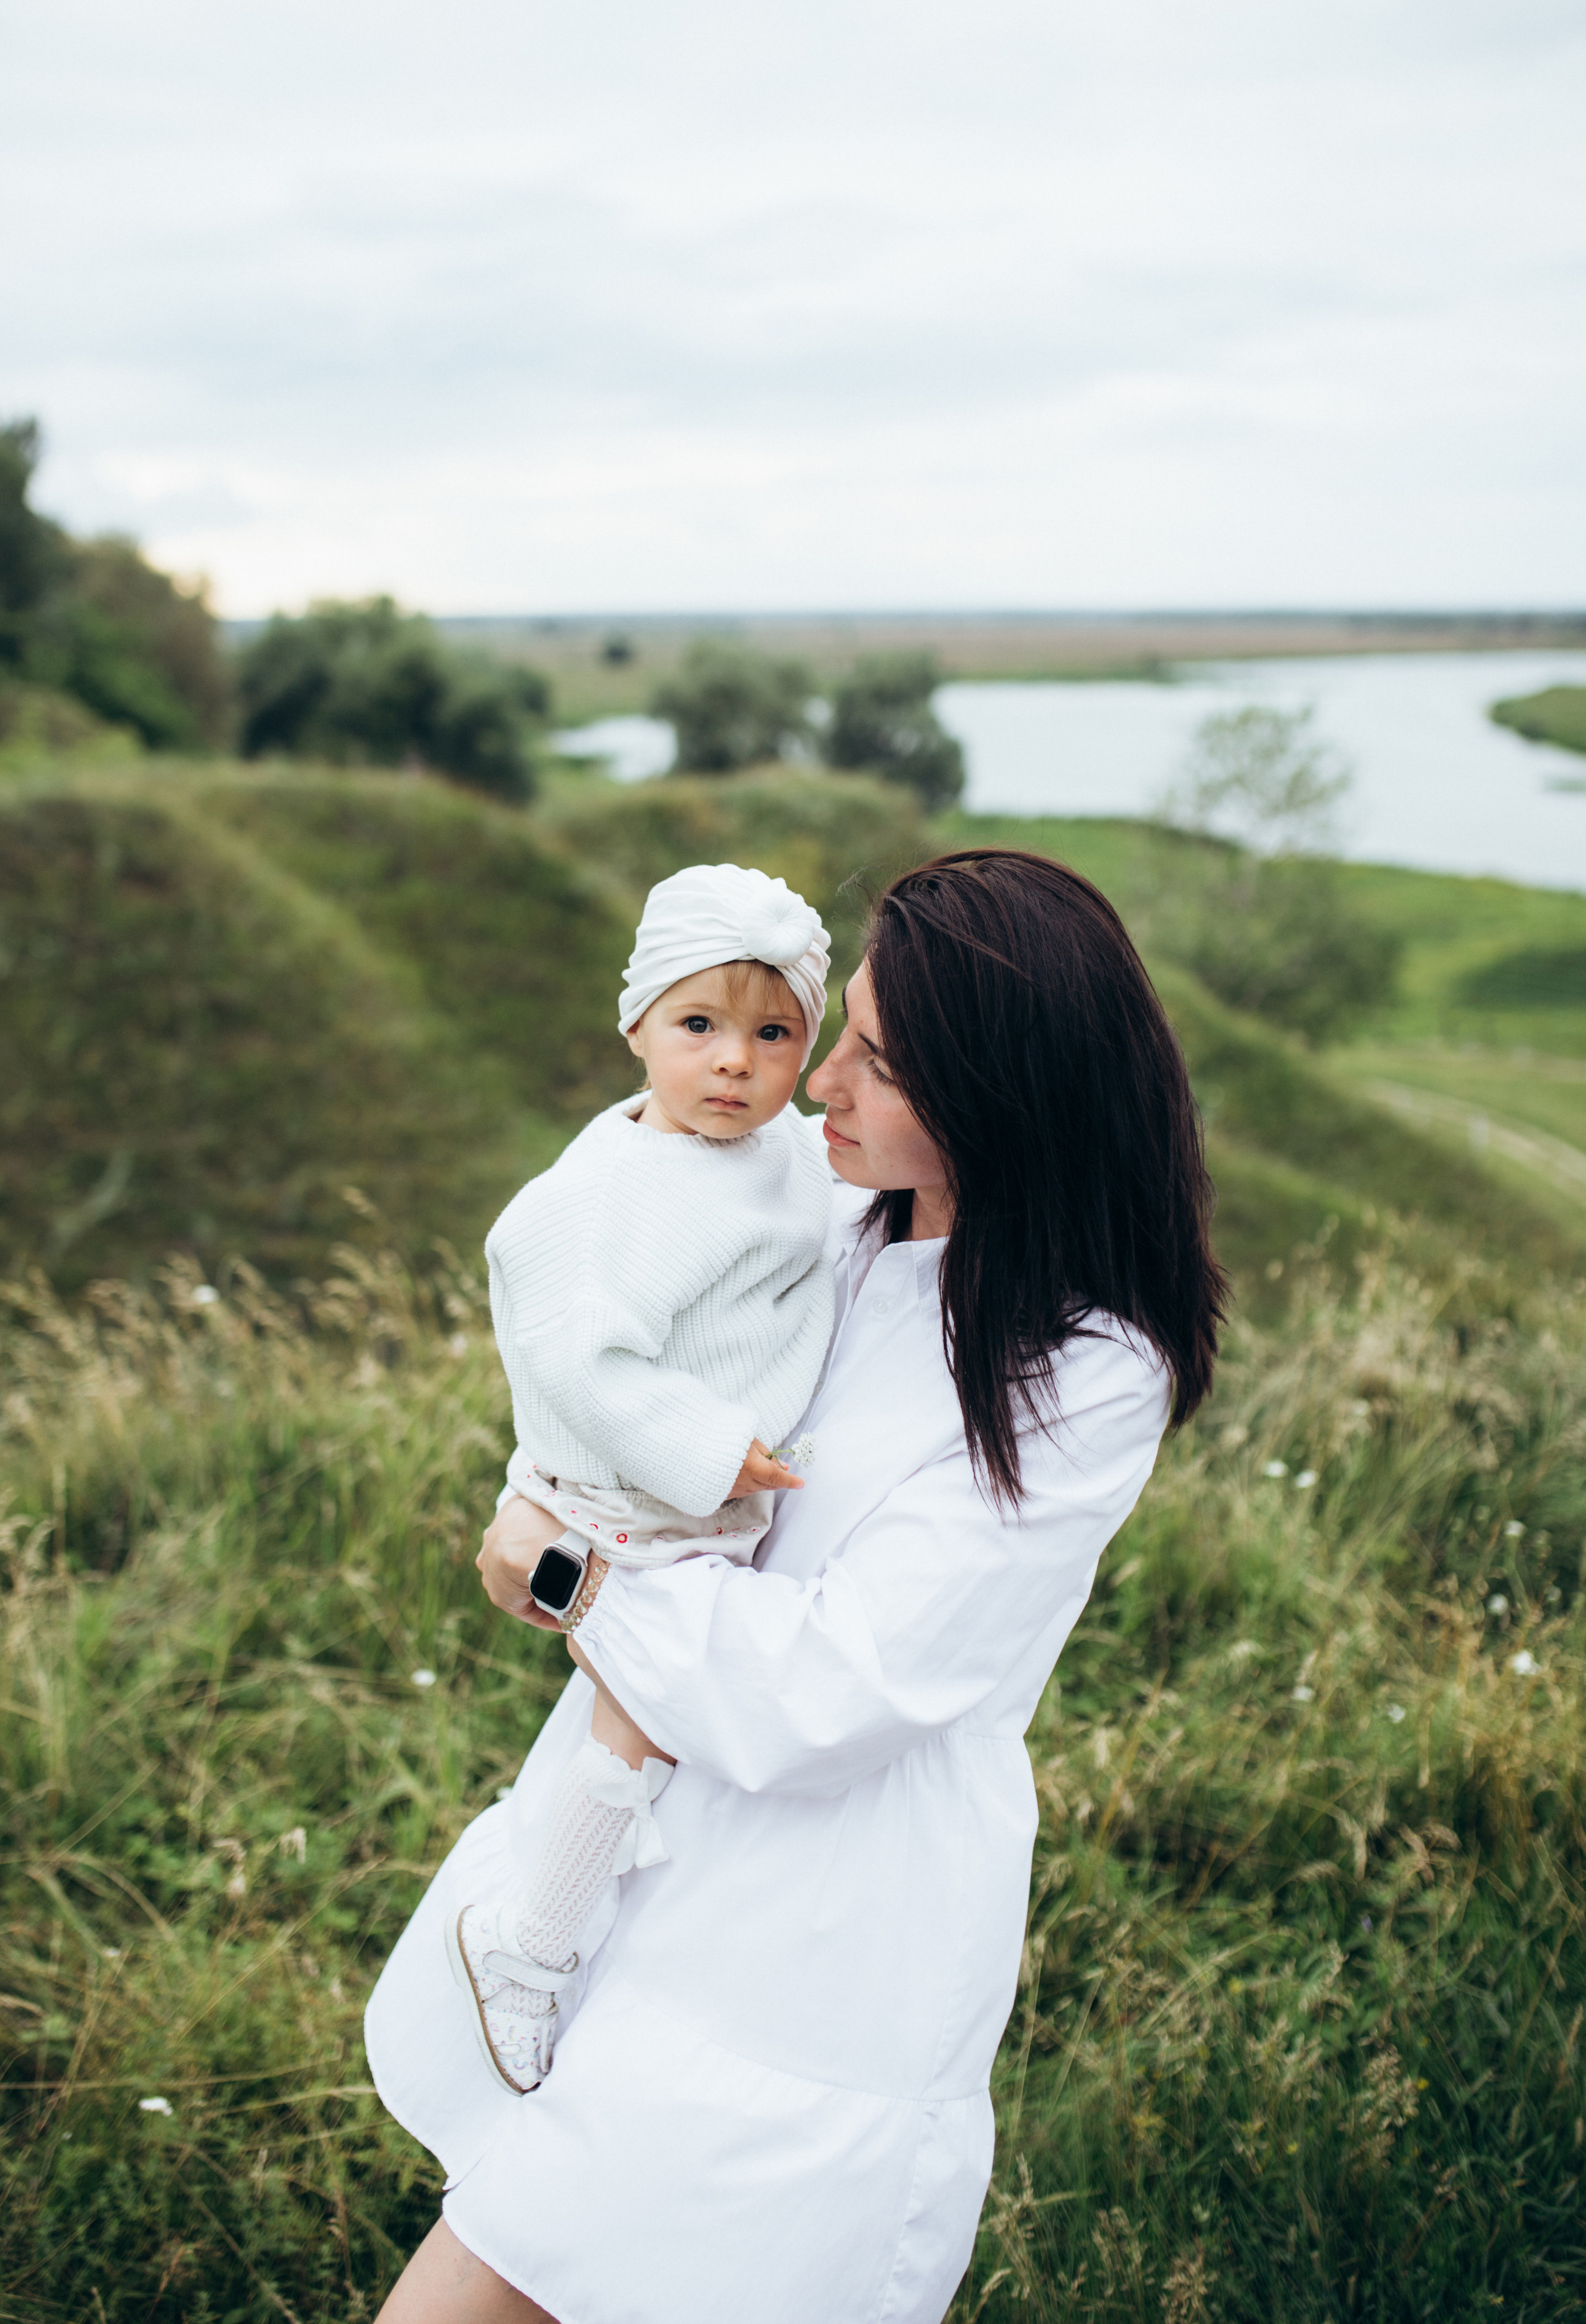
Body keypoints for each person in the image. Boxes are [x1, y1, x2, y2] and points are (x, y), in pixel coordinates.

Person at [368, 848, 1228, 2324]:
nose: (814, 1081)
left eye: (871, 1058)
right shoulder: (823, 1228)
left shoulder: (1085, 1372)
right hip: (640, 1843)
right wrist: (549, 1492)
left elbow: (842, 1683)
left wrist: (573, 1578)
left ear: (995, 1093)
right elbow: (619, 1356)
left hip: (822, 1941)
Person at [447, 862, 836, 2096]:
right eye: (699, 1027)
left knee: (654, 1719)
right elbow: (577, 1351)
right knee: (644, 1719)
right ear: (636, 1029)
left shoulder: (783, 1152)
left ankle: (572, 1922)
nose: (735, 1063)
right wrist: (712, 1449)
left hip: (704, 1496)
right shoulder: (604, 1192)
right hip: (640, 1485)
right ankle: (530, 1938)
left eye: (773, 1035)